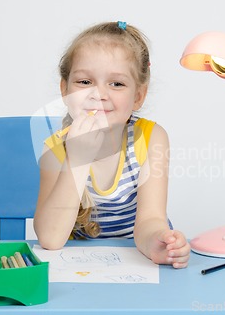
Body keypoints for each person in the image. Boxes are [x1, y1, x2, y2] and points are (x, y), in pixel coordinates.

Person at [33, 21, 190, 268]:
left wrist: (157, 244)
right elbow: (51, 239)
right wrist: (78, 159)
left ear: (138, 96)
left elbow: (150, 220)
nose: (99, 94)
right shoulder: (55, 148)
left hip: (138, 260)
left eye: (116, 84)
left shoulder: (151, 138)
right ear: (65, 90)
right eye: (85, 82)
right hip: (80, 267)